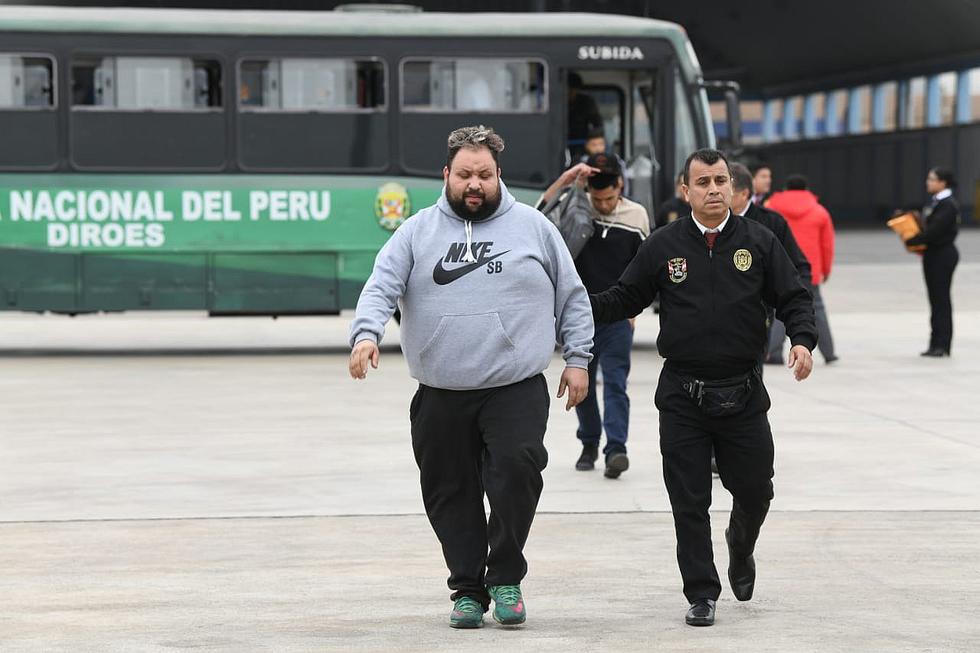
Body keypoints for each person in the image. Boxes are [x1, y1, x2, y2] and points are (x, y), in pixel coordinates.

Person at [348, 125, 593, 629]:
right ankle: (466, 589)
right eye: (464, 174)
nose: (474, 183)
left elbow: (572, 294)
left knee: (517, 473)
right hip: (441, 391)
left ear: (498, 175)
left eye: (483, 174)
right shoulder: (417, 231)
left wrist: (577, 358)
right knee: (448, 491)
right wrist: (366, 334)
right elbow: (381, 286)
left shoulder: (532, 227)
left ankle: (505, 576)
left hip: (515, 386)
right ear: (447, 175)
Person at [590, 148, 816, 627]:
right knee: (688, 500)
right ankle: (701, 592)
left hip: (743, 394)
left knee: (756, 491)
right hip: (682, 397)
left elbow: (793, 295)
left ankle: (740, 542)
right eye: (704, 182)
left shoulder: (757, 241)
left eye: (722, 181)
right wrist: (573, 305)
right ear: (684, 190)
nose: (715, 190)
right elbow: (625, 297)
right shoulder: (662, 245)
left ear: (733, 188)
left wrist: (802, 340)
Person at [539, 154, 649, 478]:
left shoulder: (637, 216)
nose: (602, 204)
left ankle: (616, 449)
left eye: (609, 198)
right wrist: (568, 178)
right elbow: (539, 215)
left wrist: (635, 306)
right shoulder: (576, 208)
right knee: (580, 384)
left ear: (621, 186)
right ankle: (589, 442)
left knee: (616, 383)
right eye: (597, 198)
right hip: (578, 317)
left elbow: (645, 266)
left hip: (617, 318)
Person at [765, 175, 838, 364]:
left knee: (781, 309)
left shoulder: (771, 208)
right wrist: (826, 270)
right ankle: (829, 353)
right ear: (806, 189)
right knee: (817, 310)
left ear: (785, 188)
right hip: (810, 270)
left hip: (781, 267)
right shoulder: (820, 212)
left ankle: (773, 352)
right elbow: (827, 245)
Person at [906, 167, 960, 356]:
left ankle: (942, 345)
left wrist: (914, 239)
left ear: (942, 183)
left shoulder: (947, 205)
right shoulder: (938, 203)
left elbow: (934, 231)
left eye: (932, 179)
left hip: (942, 255)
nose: (928, 182)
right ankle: (936, 342)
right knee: (936, 300)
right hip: (934, 254)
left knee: (940, 300)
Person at [567, 72, 602, 161]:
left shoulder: (587, 102)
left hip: (581, 141)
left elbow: (597, 123)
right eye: (568, 90)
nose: (570, 93)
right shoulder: (556, 102)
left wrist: (592, 140)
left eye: (573, 90)